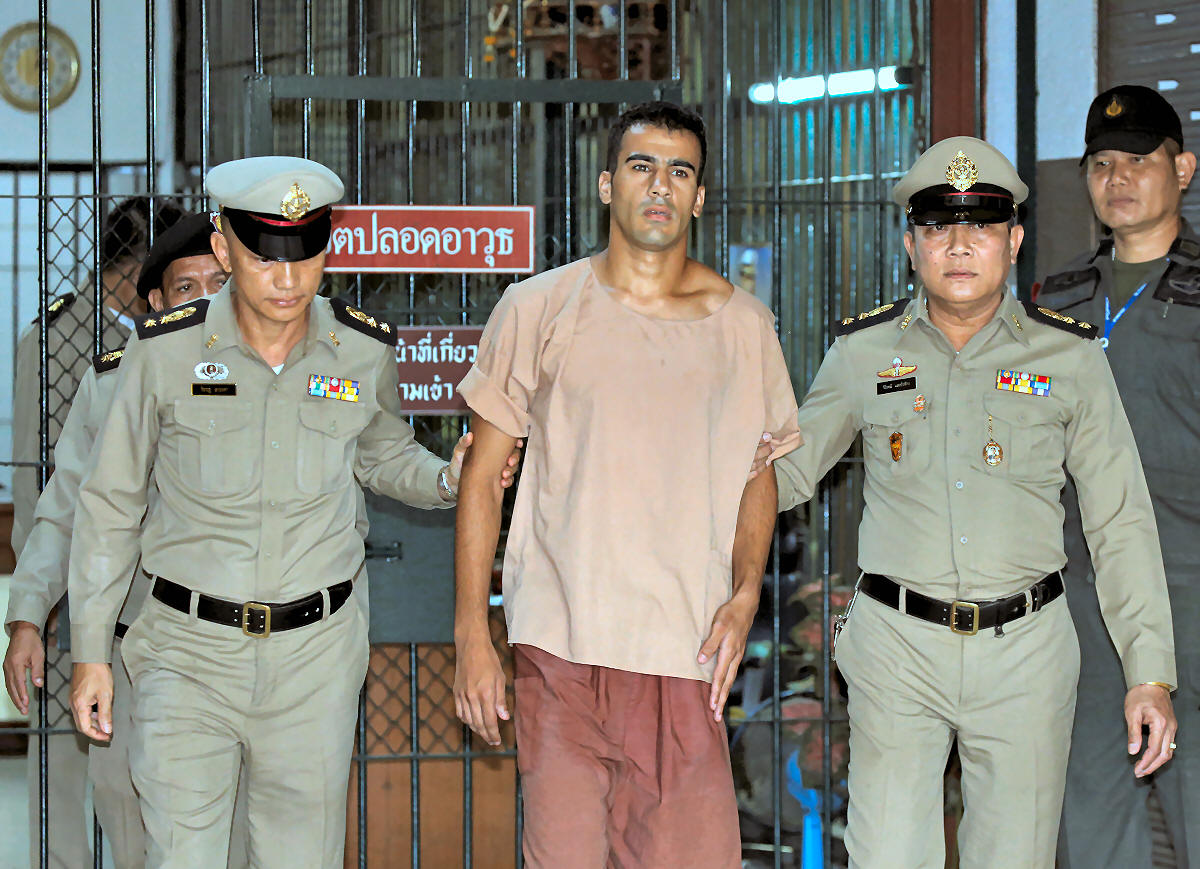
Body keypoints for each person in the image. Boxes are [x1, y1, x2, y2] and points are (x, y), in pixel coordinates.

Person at [65, 157, 515, 868]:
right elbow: (109, 506)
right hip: (187, 655)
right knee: (181, 856)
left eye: (305, 258)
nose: (288, 280)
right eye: (265, 258)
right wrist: (91, 652)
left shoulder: (360, 350)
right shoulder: (163, 353)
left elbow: (382, 453)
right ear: (223, 249)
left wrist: (447, 477)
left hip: (314, 660)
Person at [763, 136, 1177, 868]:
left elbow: (1119, 519)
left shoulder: (1069, 357)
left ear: (1012, 241)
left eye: (981, 226)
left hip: (1026, 653)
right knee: (886, 856)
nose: (959, 246)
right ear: (911, 244)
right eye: (938, 227)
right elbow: (785, 476)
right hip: (897, 647)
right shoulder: (862, 353)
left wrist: (1149, 673)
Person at [453, 101, 802, 867]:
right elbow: (482, 477)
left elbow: (759, 475)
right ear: (607, 184)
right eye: (641, 166)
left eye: (680, 171)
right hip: (560, 645)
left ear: (700, 196)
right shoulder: (537, 308)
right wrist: (472, 631)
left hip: (683, 650)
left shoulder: (744, 328)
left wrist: (746, 593)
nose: (660, 185)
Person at [5, 211, 235, 869]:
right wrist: (35, 606)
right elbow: (51, 493)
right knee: (112, 792)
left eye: (218, 283)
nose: (205, 300)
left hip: (232, 638)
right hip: (118, 620)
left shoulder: (275, 369)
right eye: (186, 286)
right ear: (148, 291)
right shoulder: (86, 359)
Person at [1038, 85, 1199, 868]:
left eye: (1139, 161)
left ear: (1184, 170)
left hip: (1189, 582)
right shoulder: (1056, 298)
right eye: (1101, 164)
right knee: (1092, 812)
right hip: (1084, 592)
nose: (1118, 178)